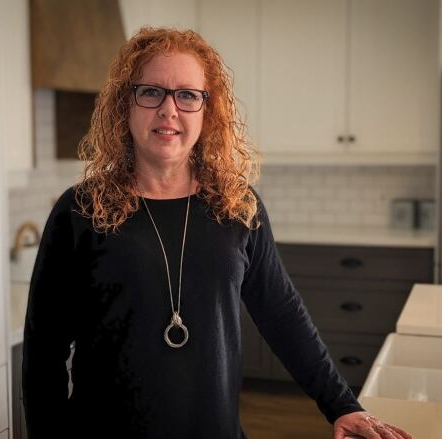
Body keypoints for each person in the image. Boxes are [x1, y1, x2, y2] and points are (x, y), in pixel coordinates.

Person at [22, 26, 411, 439]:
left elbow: (282, 315)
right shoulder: (80, 211)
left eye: (187, 95)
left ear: (208, 111)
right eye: (151, 92)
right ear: (125, 105)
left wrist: (341, 405)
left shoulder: (237, 207)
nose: (169, 110)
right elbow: (43, 353)